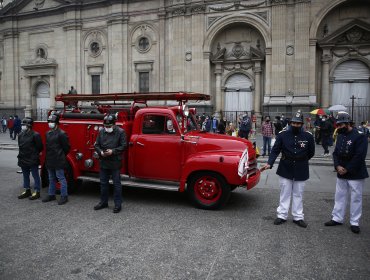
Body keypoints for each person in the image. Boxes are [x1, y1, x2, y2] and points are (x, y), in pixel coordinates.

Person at [261, 111, 315, 228]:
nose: (295, 125)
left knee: (298, 193)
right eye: (293, 123)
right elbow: (275, 150)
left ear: (302, 124)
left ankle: (298, 216)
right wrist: (269, 163)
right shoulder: (282, 135)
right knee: (285, 193)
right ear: (290, 123)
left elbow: (311, 152)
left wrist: (300, 159)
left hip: (301, 167)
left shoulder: (308, 136)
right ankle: (282, 215)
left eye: (298, 123)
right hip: (286, 166)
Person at [324, 112, 368, 234]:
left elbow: (360, 156)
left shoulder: (360, 136)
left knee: (356, 198)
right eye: (337, 125)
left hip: (355, 172)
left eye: (341, 124)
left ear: (348, 123)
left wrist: (347, 168)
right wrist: (337, 166)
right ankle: (337, 218)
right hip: (341, 170)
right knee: (339, 196)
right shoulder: (341, 135)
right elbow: (336, 153)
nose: (338, 127)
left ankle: (354, 222)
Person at [94, 114, 127, 213]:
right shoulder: (101, 131)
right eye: (106, 126)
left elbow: (123, 146)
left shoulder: (121, 132)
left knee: (116, 184)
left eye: (109, 126)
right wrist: (100, 152)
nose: (107, 128)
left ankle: (118, 204)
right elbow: (97, 145)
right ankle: (103, 202)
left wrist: (113, 151)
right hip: (104, 161)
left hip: (115, 162)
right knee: (103, 183)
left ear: (114, 124)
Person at [42, 113, 71, 205]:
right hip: (50, 159)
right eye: (49, 121)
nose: (50, 123)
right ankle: (51, 194)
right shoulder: (48, 133)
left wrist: (60, 155)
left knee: (61, 178)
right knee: (51, 178)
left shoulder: (62, 134)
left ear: (57, 123)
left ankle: (64, 196)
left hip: (58, 159)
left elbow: (66, 148)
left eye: (51, 122)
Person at [17, 118, 44, 200]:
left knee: (35, 175)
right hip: (23, 157)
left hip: (32, 158)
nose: (22, 126)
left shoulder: (36, 135)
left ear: (29, 125)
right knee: (25, 175)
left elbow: (40, 147)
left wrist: (34, 153)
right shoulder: (21, 134)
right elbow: (20, 145)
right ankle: (27, 190)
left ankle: (37, 191)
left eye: (24, 124)